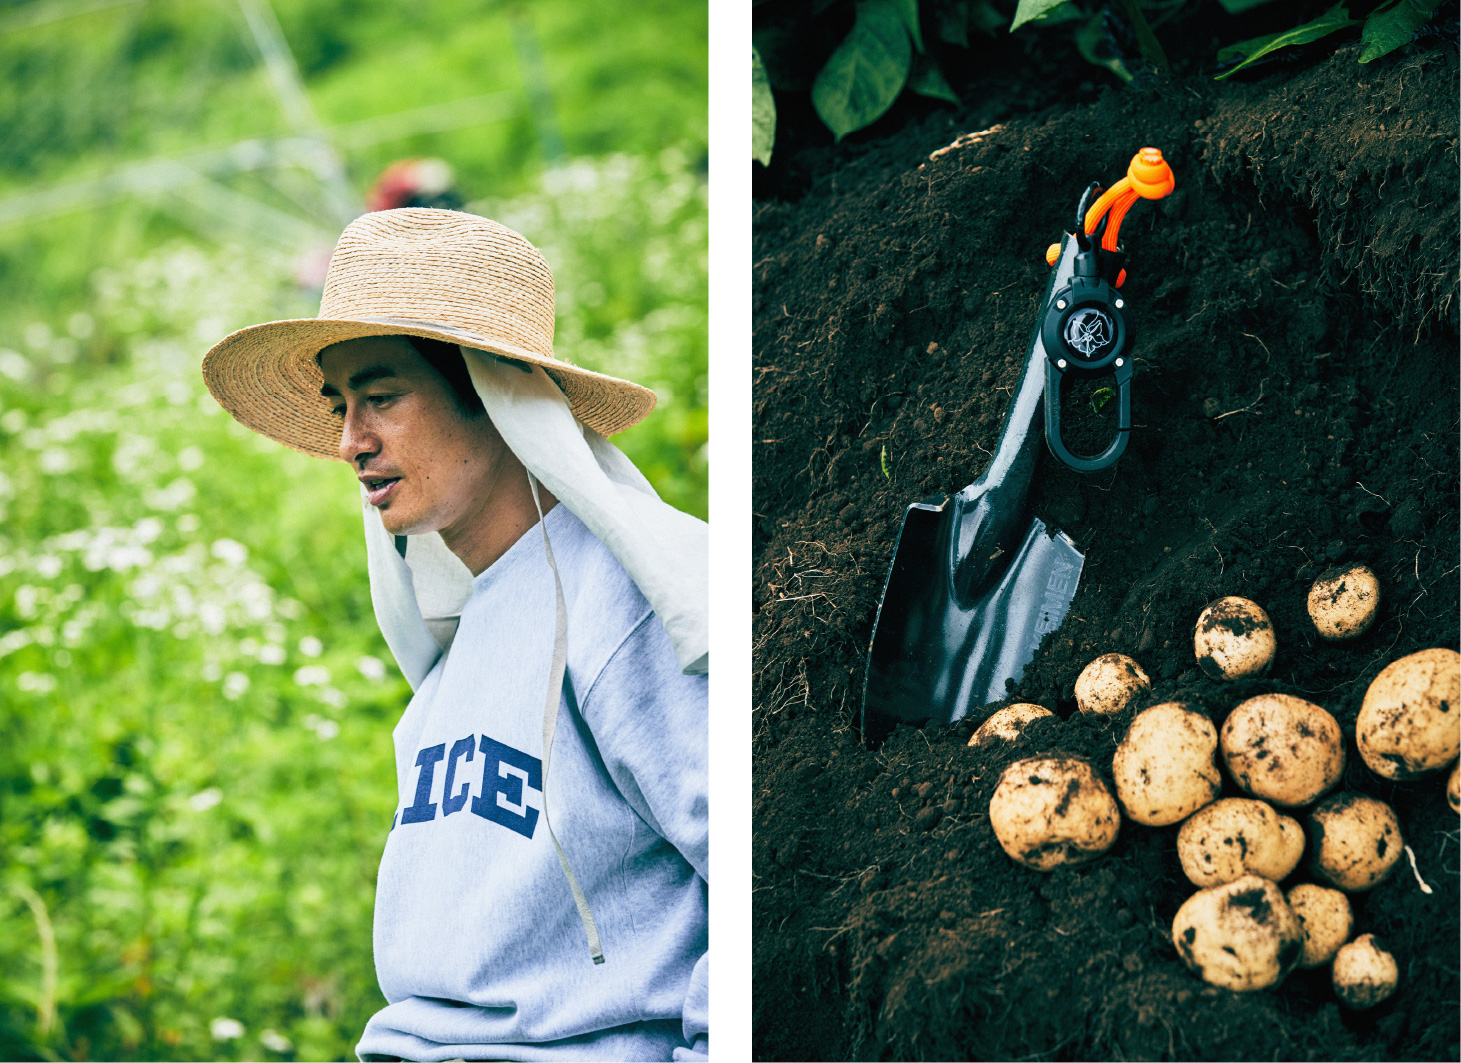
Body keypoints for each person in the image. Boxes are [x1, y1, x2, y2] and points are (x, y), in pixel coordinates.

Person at [201, 208, 708, 1062]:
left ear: (492, 391)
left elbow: (756, 877)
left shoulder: (626, 603)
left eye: (383, 395)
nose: (351, 442)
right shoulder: (455, 651)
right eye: (341, 405)